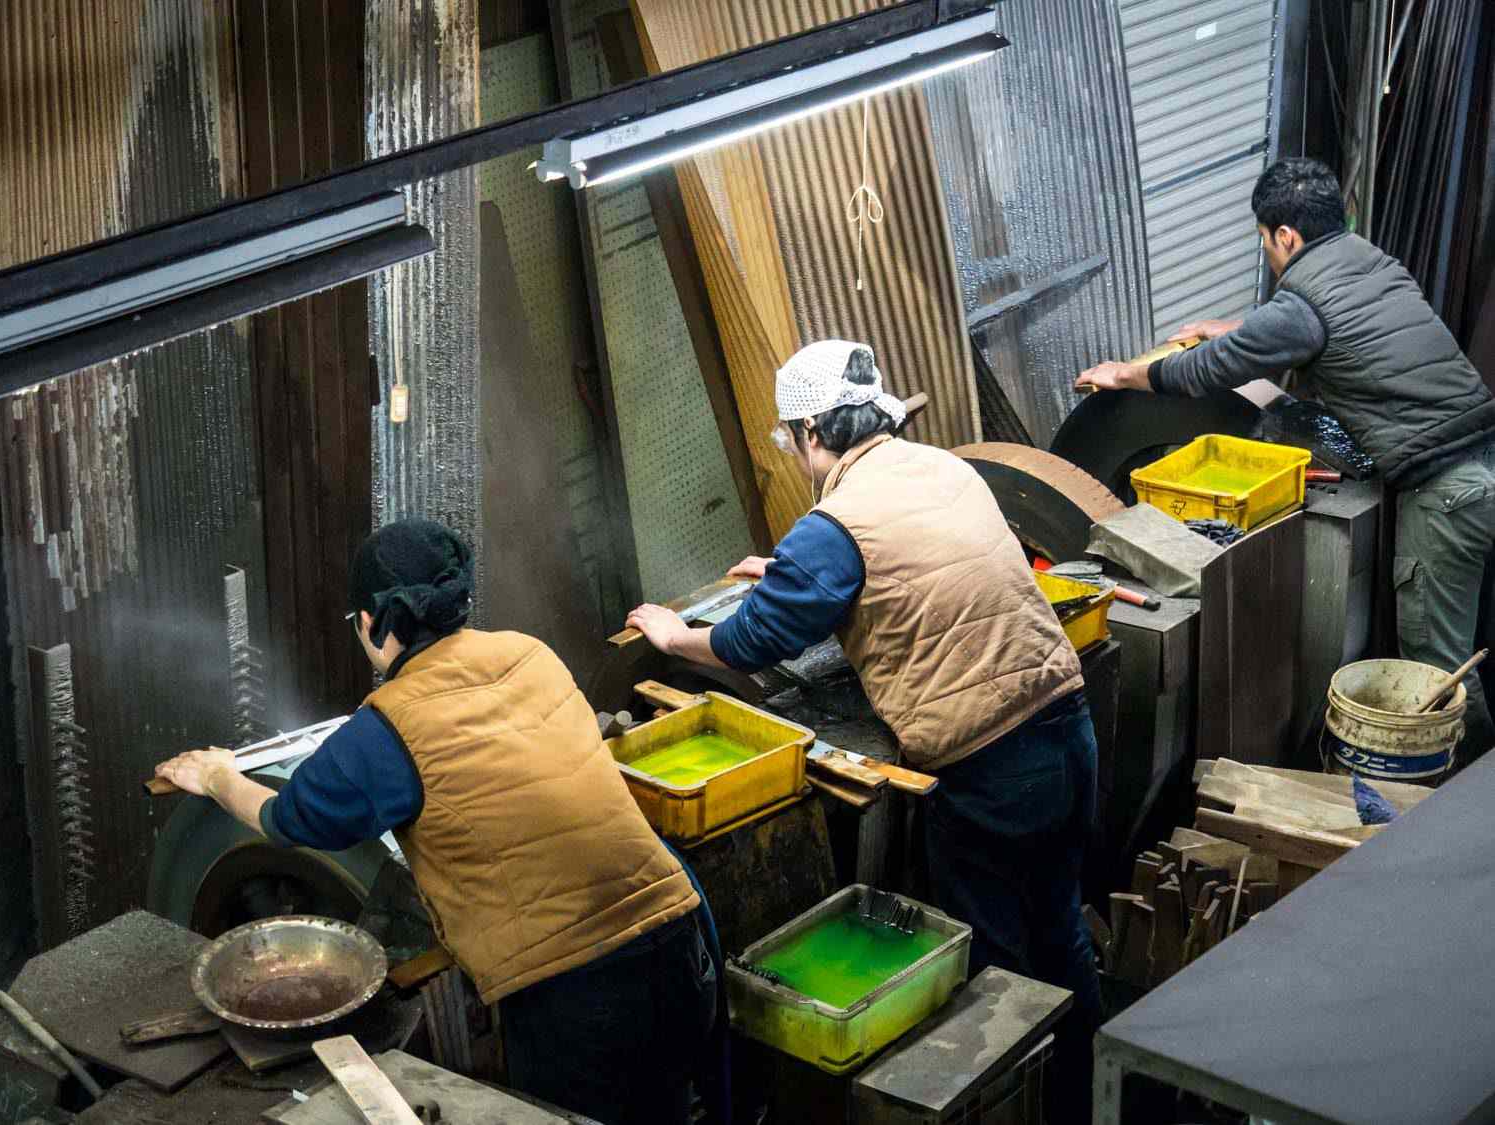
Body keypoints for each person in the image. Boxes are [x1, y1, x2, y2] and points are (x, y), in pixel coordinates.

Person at [625, 340, 1102, 1120]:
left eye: (790, 440)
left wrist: (679, 637)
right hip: (1067, 731)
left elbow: (756, 640)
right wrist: (788, 574)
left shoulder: (836, 524)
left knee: (997, 982)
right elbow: (911, 567)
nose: (794, 456)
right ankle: (1085, 1102)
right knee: (1060, 935)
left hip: (990, 768)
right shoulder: (942, 467)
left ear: (813, 431)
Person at [155, 518, 717, 1125]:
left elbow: (288, 819)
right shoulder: (530, 653)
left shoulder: (389, 726)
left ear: (369, 621)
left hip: (577, 992)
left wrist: (217, 776)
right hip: (682, 941)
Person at [1078, 157, 1495, 769]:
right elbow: (1310, 322)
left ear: (1285, 236)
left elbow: (1210, 370)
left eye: (1266, 243)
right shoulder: (1368, 259)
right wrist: (1237, 326)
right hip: (1485, 459)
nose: (1270, 256)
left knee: (1439, 672)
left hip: (1445, 495)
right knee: (1478, 639)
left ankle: (1466, 798)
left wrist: (1125, 374)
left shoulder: (1302, 304)